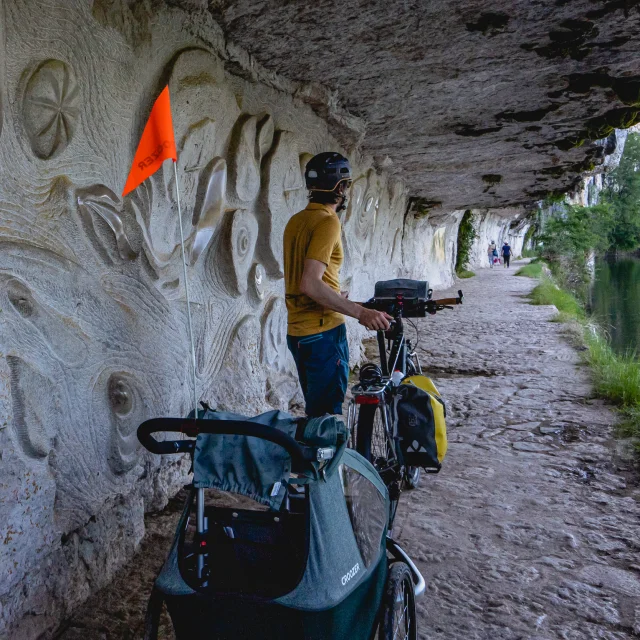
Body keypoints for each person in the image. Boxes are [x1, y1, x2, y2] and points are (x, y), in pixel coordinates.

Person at [283, 152, 391, 417]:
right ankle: (322, 459)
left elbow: (304, 280)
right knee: (326, 419)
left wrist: (334, 295)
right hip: (324, 334)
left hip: (298, 334)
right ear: (341, 187)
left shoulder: (296, 221)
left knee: (316, 414)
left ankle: (315, 458)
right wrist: (361, 312)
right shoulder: (328, 222)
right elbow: (310, 283)